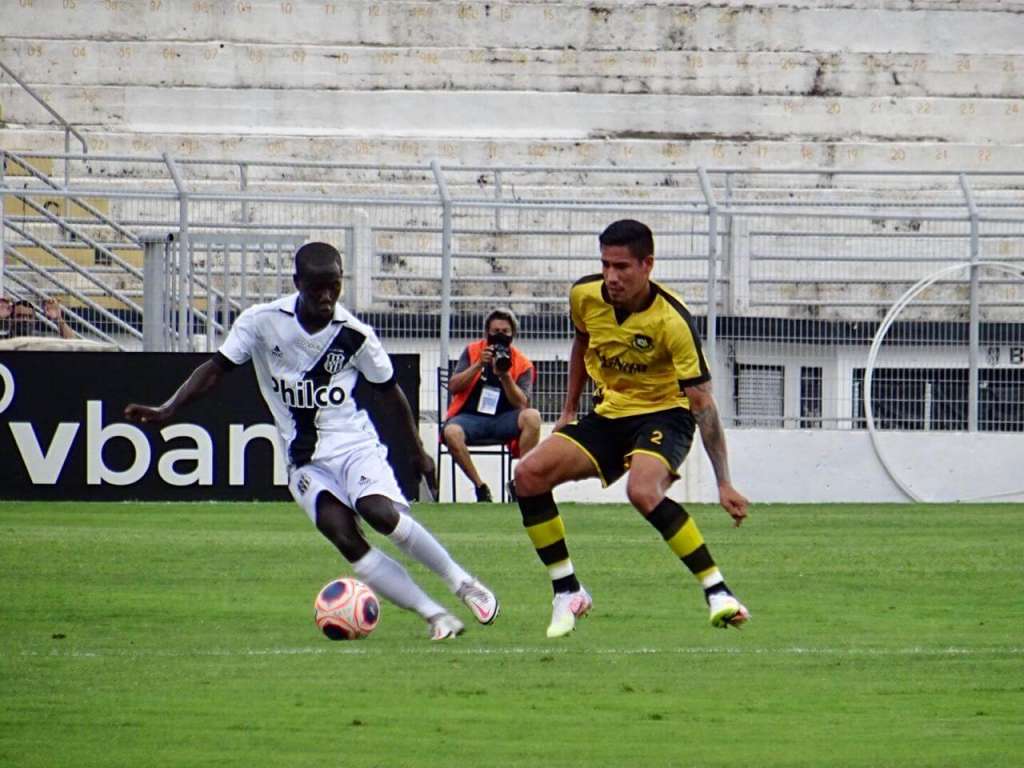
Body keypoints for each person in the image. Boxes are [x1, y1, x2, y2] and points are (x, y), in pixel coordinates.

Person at [124, 242, 499, 640]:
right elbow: (216, 369)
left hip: (354, 447)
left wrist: (417, 451)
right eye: (317, 287)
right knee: (345, 537)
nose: (326, 296)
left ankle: (463, 583)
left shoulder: (355, 335)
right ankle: (437, 617)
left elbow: (390, 392)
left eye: (333, 286)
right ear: (297, 283)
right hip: (303, 461)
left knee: (378, 513)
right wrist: (168, 410)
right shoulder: (261, 322)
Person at [513, 219, 751, 638]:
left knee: (642, 491)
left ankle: (718, 592)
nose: (611, 276)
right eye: (605, 264)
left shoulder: (672, 320)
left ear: (647, 264)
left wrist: (724, 483)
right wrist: (568, 411)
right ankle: (567, 590)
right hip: (611, 413)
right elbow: (582, 342)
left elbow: (702, 404)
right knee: (527, 476)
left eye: (622, 266)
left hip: (666, 415)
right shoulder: (584, 296)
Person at [442, 308, 541, 502]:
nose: (500, 336)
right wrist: (479, 365)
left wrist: (505, 375)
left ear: (513, 334)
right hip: (471, 418)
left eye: (505, 332)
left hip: (504, 418)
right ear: (487, 333)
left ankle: (520, 482)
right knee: (451, 432)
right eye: (495, 331)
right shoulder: (472, 352)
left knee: (533, 417)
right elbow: (453, 386)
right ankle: (480, 487)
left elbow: (521, 402)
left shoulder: (523, 363)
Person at [0, 297, 75, 339]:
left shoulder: (41, 340)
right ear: (11, 319)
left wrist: (58, 318)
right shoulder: (4, 340)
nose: (25, 320)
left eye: (29, 317)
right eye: (20, 316)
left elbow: (70, 339)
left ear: (34, 320)